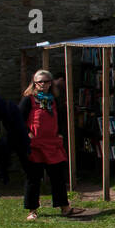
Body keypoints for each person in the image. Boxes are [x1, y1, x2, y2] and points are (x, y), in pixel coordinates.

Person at [19, 70, 82, 220]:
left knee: (58, 176)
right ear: (34, 83)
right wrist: (27, 132)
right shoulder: (28, 100)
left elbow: (59, 117)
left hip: (52, 144)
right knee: (34, 178)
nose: (43, 84)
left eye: (47, 81)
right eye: (40, 82)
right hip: (35, 144)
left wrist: (60, 133)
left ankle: (64, 207)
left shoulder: (53, 100)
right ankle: (32, 210)